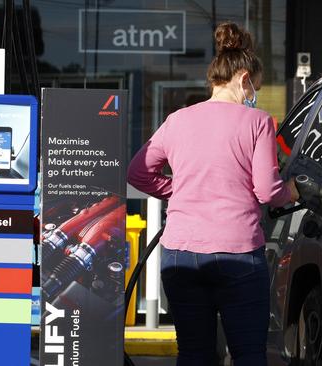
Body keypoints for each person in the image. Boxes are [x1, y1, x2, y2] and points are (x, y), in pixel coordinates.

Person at [127, 21, 299, 366]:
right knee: (248, 353)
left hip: (181, 254)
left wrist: (180, 189)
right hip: (238, 253)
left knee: (194, 353)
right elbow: (267, 191)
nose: (256, 97)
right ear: (244, 79)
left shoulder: (177, 120)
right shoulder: (258, 122)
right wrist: (293, 191)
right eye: (258, 88)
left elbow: (138, 172)